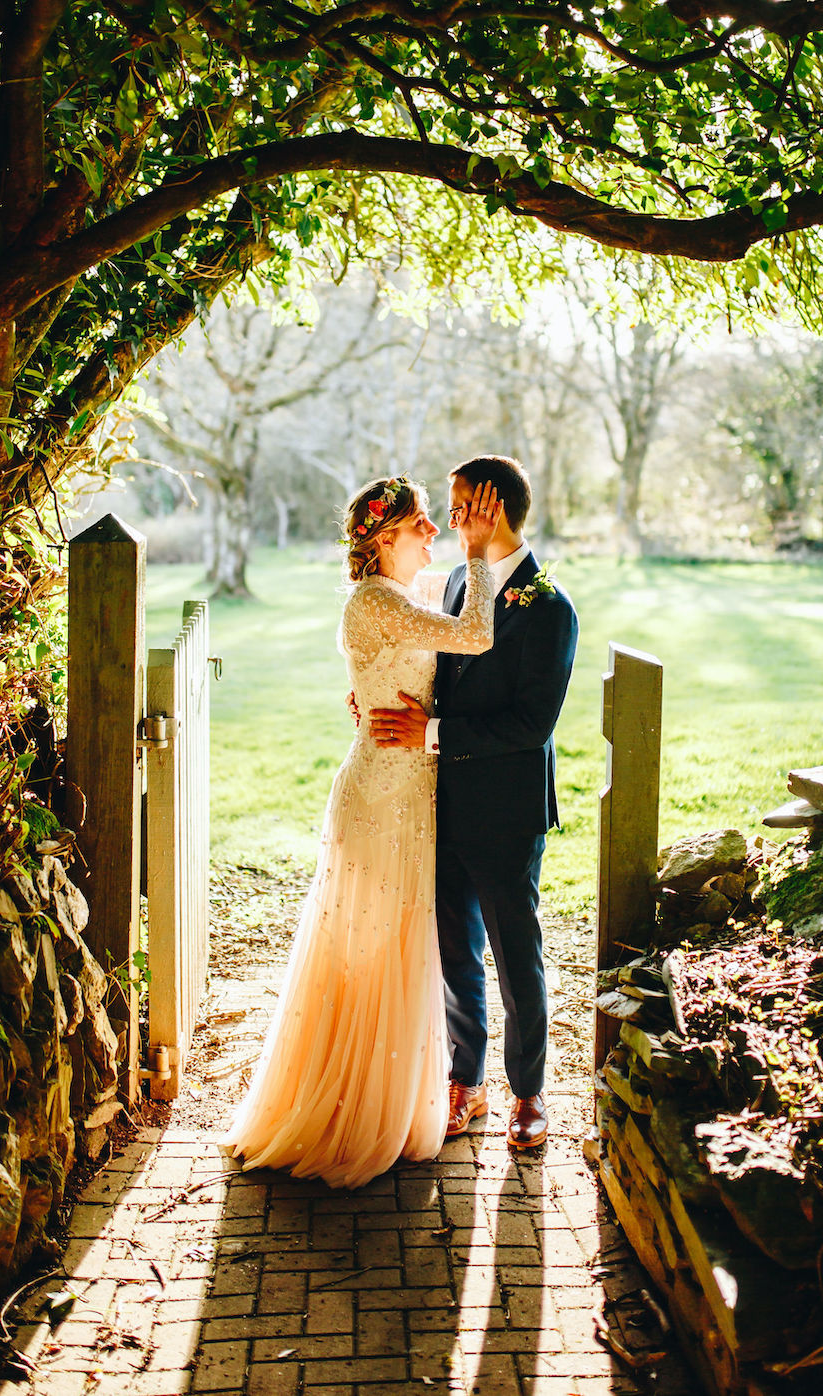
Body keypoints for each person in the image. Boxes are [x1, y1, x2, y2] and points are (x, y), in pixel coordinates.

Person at [225, 473, 503, 1189]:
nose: (433, 534)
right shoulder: (376, 601)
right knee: (373, 954)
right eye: (420, 526)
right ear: (384, 540)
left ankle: (382, 1095)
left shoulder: (391, 597)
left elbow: (425, 627)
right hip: (382, 800)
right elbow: (472, 633)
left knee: (395, 951)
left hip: (404, 789)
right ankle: (353, 1110)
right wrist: (476, 552)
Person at [370, 454, 578, 1150]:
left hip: (507, 811)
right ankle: (468, 1082)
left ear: (495, 507)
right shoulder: (462, 579)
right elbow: (435, 670)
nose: (452, 519)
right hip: (440, 803)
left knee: (517, 958)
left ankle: (528, 1094)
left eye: (461, 505)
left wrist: (429, 731)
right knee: (456, 951)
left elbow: (531, 726)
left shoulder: (549, 607)